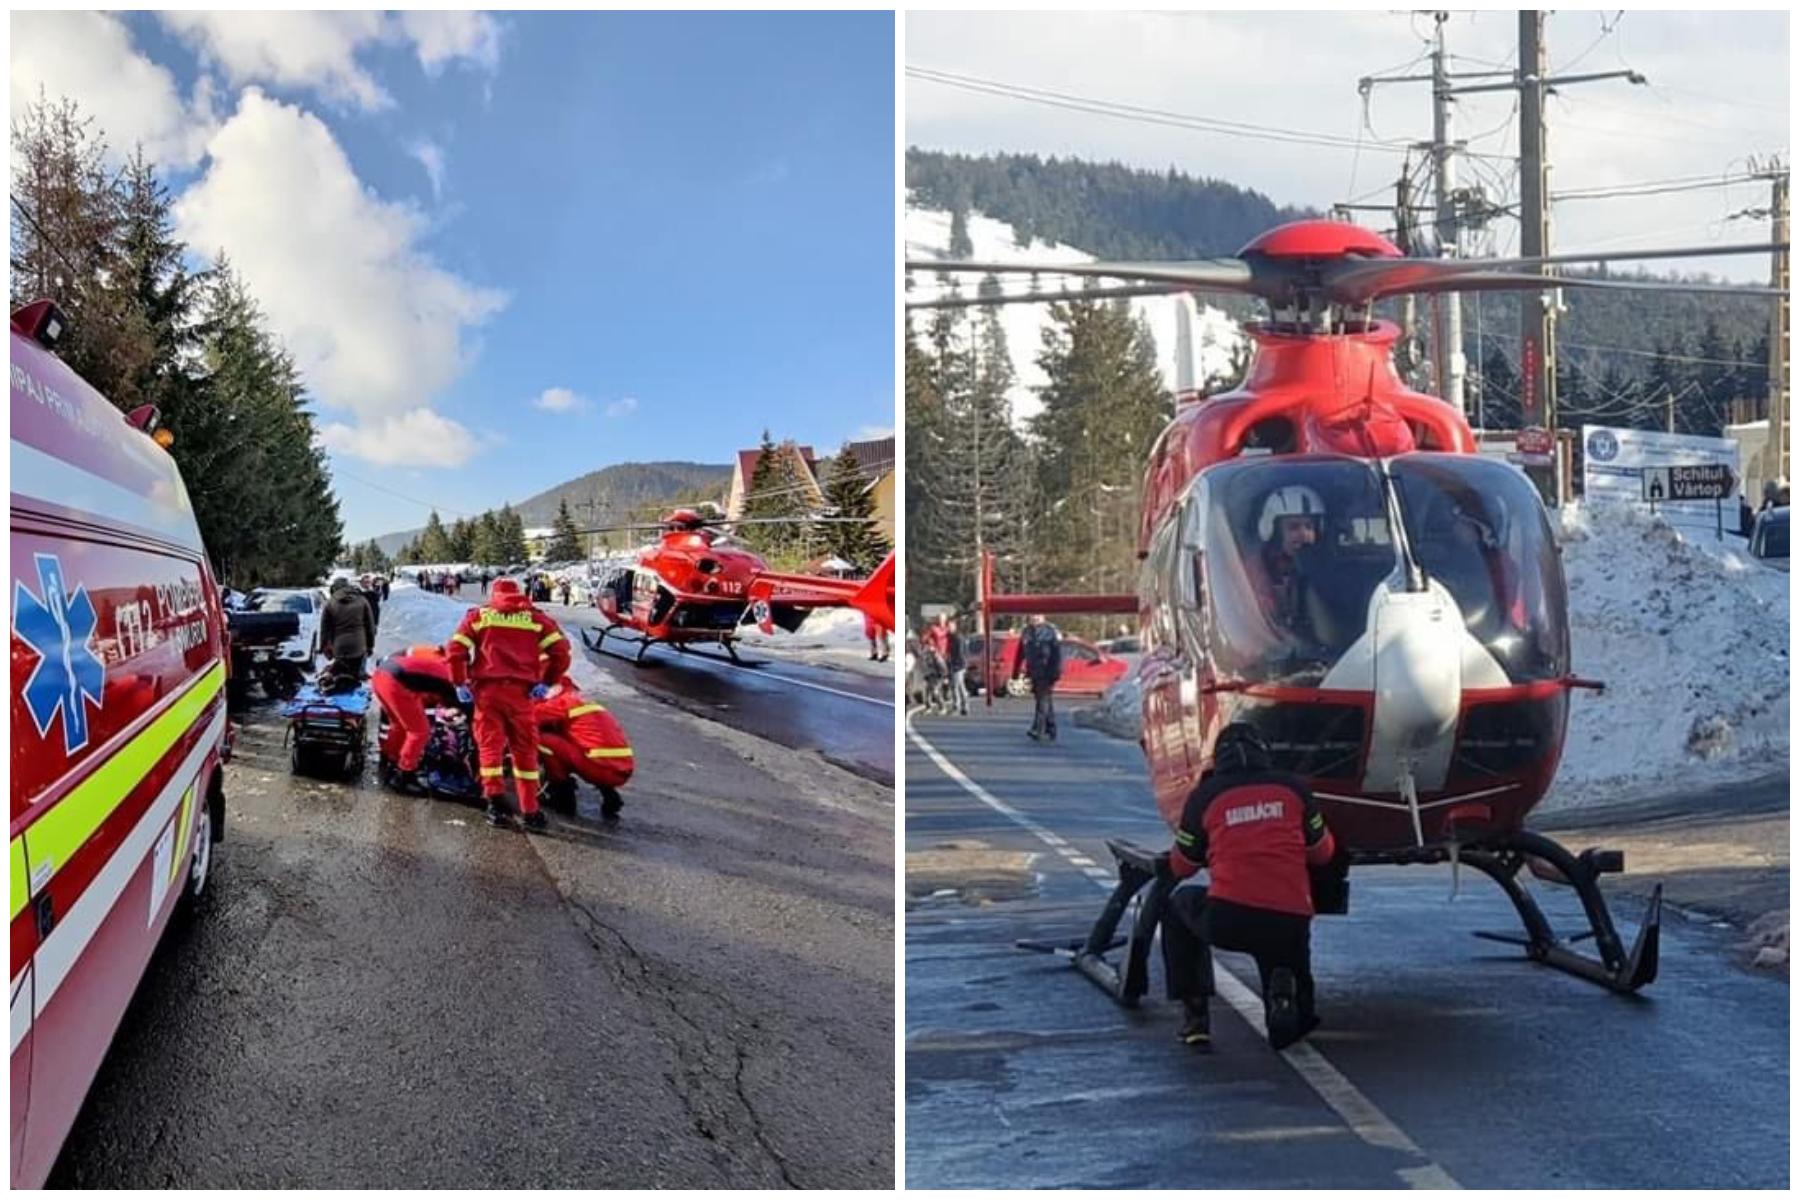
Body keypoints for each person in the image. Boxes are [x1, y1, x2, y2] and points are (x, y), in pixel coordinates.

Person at [1158, 724, 1337, 1052]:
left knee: (1177, 906)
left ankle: (1195, 1015)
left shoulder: (1206, 796)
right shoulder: (1294, 789)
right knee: (1285, 947)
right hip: (1290, 917)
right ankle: (1287, 1000)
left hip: (1230, 916)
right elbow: (1323, 853)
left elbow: (1182, 866)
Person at [448, 577, 572, 832]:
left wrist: (459, 681)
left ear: (494, 594)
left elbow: (455, 649)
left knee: (490, 748)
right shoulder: (536, 619)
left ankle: (495, 804)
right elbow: (561, 651)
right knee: (525, 751)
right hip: (522, 695)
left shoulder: (479, 616)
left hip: (487, 693)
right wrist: (548, 682)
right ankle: (531, 811)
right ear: (519, 593)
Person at [534, 675, 634, 818]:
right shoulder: (580, 699)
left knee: (541, 740)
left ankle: (563, 797)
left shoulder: (559, 703)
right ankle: (609, 794)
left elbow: (527, 720)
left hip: (600, 768)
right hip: (620, 768)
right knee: (574, 742)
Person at [372, 643, 464, 794]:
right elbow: (453, 701)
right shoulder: (452, 678)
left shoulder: (438, 661)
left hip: (381, 675)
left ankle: (392, 761)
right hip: (395, 681)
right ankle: (404, 776)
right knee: (420, 731)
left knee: (398, 724)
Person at [1254, 485, 1325, 647]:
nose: (1304, 534)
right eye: (1293, 527)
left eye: (1309, 527)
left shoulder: (1325, 570)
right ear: (1274, 533)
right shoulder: (1261, 570)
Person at [319, 577, 376, 687]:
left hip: (339, 647)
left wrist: (324, 647)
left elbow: (324, 629)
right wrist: (370, 646)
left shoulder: (330, 603)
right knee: (357, 677)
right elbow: (370, 626)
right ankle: (357, 699)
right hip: (359, 646)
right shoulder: (362, 600)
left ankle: (340, 698)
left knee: (340, 674)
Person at [1015, 614, 1062, 740]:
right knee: (1044, 700)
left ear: (1043, 617)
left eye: (1037, 615)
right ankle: (1051, 727)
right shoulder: (1027, 632)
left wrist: (1056, 671)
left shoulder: (1050, 631)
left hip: (1047, 671)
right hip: (1034, 671)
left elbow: (1057, 654)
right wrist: (1016, 671)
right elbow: (1020, 653)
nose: (1034, 618)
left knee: (1042, 701)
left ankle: (1038, 728)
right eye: (1032, 615)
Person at [944, 617, 969, 716]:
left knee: (955, 686)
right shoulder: (950, 637)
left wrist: (956, 664)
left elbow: (960, 653)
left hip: (958, 665)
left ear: (954, 626)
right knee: (960, 686)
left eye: (950, 626)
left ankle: (957, 707)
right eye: (948, 626)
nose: (948, 628)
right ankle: (964, 706)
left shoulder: (957, 638)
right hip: (955, 664)